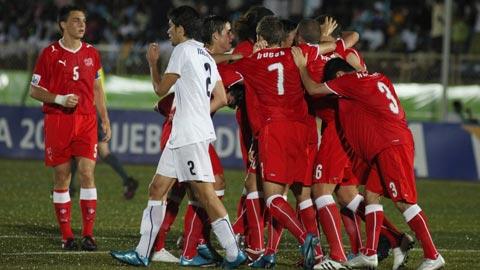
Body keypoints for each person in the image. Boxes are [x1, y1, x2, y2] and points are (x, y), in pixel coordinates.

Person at [110, 6, 246, 268]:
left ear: (182, 29)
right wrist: (198, 114)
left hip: (188, 134)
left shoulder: (182, 51)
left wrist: (152, 63)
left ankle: (232, 252)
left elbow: (160, 88)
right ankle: (142, 251)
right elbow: (219, 98)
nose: (168, 31)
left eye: (171, 26)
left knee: (205, 195)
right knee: (157, 188)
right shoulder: (205, 55)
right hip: (186, 133)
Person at [291, 54, 445, 270]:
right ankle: (370, 254)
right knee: (371, 195)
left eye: (333, 82)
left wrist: (300, 67)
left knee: (404, 202)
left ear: (339, 76)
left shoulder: (348, 81)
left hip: (390, 145)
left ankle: (433, 255)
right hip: (386, 145)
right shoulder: (379, 77)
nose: (334, 90)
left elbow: (315, 89)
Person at [29, 5, 110, 251]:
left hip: (86, 120)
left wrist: (104, 118)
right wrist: (59, 99)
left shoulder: (92, 53)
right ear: (62, 25)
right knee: (62, 176)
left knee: (87, 173)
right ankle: (67, 236)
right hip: (58, 121)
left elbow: (97, 89)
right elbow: (34, 91)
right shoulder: (49, 53)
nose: (82, 25)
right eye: (76, 20)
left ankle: (88, 234)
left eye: (83, 20)